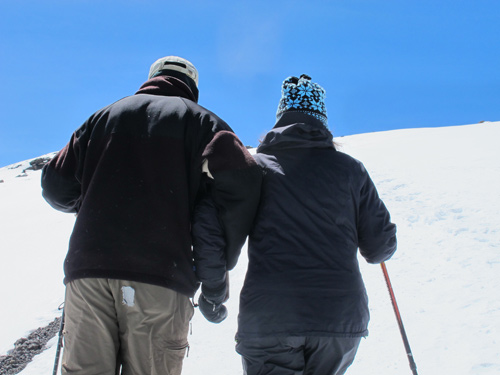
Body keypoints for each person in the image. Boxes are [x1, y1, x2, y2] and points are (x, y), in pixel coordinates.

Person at [41, 55, 261, 375]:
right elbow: (244, 179)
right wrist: (215, 241)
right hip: (161, 275)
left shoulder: (102, 118)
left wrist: (93, 203)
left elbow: (55, 185)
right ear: (192, 87)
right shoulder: (202, 123)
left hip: (88, 271)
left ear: (152, 78)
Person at [234, 75, 397, 375]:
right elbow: (379, 248)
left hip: (270, 315)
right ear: (322, 120)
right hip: (338, 317)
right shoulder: (351, 170)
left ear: (281, 116)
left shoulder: (256, 167)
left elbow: (229, 230)